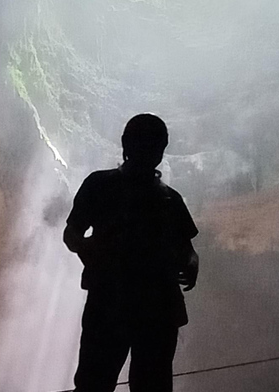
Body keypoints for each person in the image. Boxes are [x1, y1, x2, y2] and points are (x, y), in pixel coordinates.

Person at [64, 113, 199, 392]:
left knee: (102, 384)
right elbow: (72, 234)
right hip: (133, 305)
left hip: (128, 305)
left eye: (154, 146)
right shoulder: (164, 198)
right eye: (146, 145)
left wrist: (190, 261)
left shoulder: (168, 198)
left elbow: (188, 249)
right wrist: (88, 249)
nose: (150, 152)